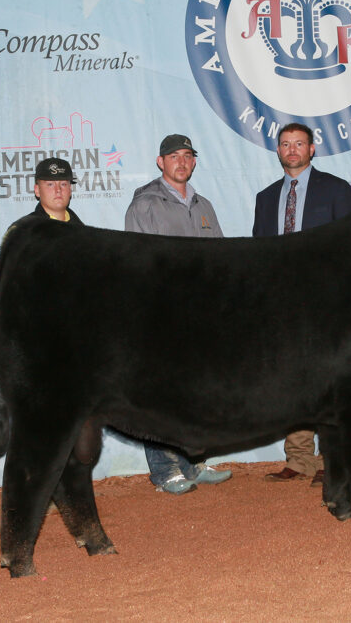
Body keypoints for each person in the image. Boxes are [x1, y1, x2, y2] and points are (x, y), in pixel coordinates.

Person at [123, 133, 231, 494]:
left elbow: (220, 261)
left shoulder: (204, 206)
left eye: (187, 156)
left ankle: (193, 463)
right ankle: (164, 470)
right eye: (173, 156)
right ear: (160, 162)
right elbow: (135, 266)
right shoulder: (145, 206)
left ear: (194, 162)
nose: (181, 162)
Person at [253, 122, 351, 487]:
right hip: (282, 304)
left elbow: (348, 248)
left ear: (312, 149)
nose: (292, 150)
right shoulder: (265, 198)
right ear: (278, 151)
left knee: (330, 381)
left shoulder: (337, 190)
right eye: (285, 144)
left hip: (325, 301)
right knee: (291, 382)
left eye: (299, 144)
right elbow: (258, 256)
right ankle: (299, 460)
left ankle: (334, 459)